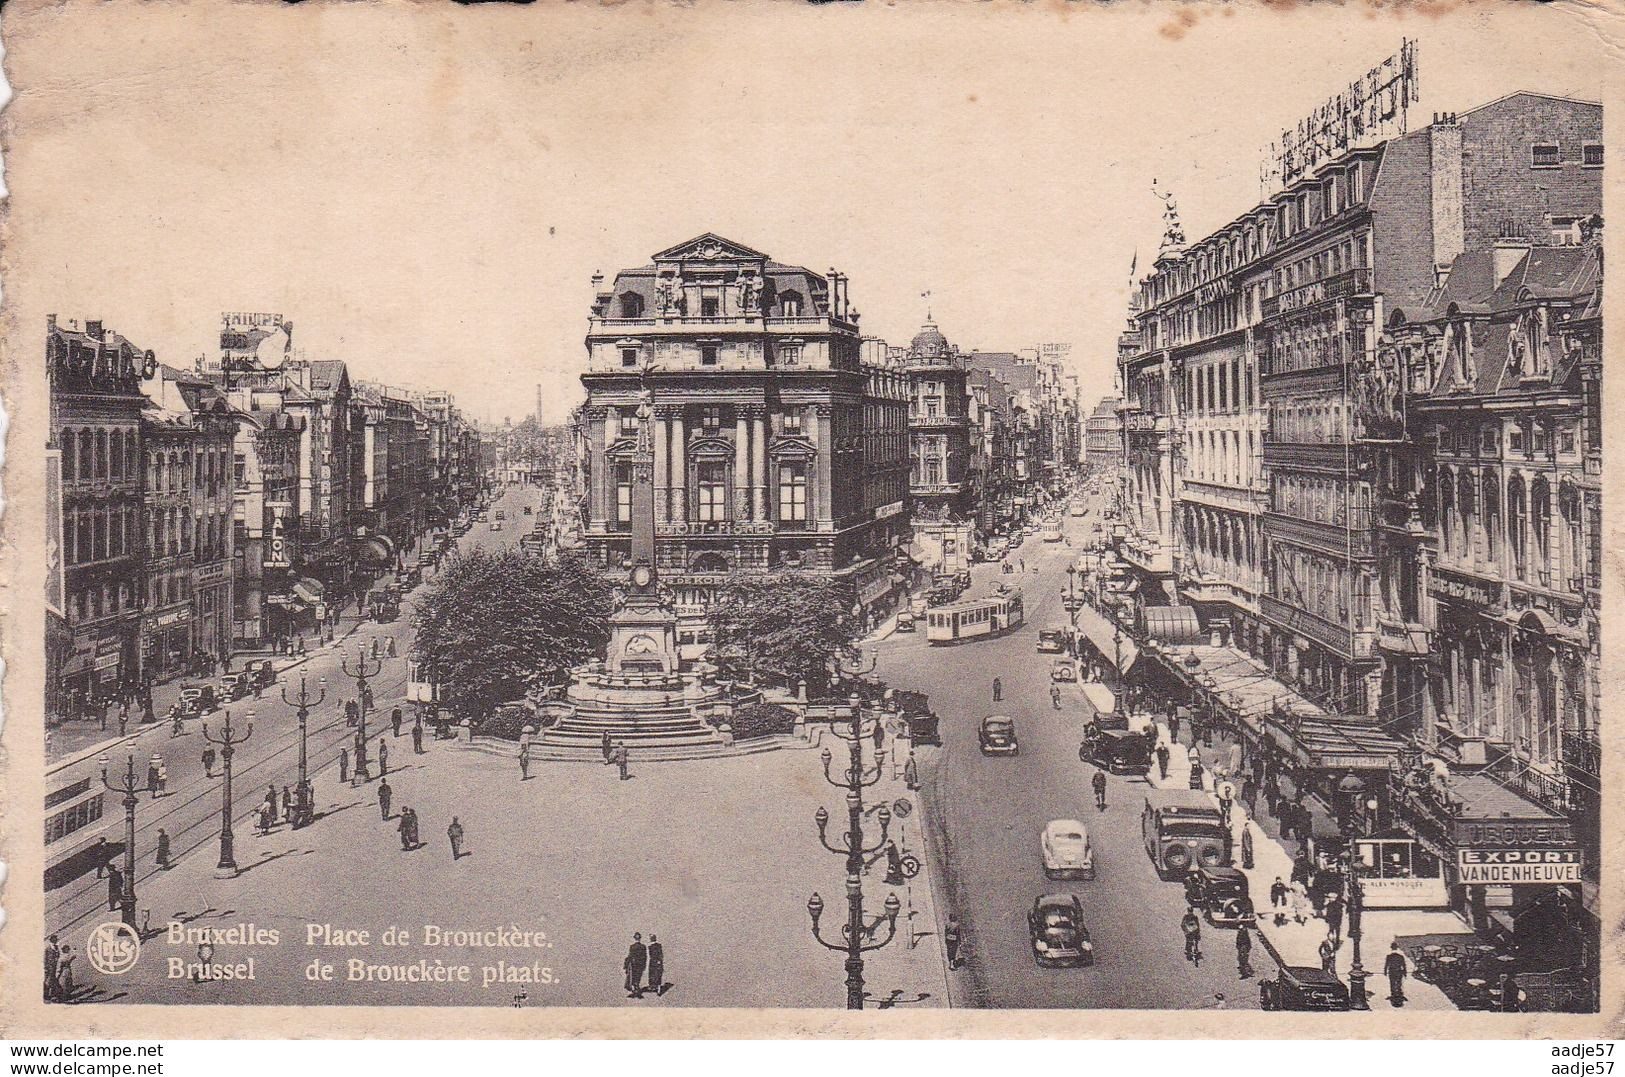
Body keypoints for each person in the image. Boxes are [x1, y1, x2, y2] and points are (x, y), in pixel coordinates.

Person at [1383, 941, 1408, 1006]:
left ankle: (1393, 994)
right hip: (1399, 971)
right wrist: (1405, 973)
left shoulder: (1389, 956)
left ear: (1391, 948)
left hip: (1392, 971)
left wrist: (1385, 972)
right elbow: (1404, 965)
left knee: (1392, 983)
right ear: (1397, 948)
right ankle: (1399, 993)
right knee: (1399, 982)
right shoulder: (1400, 956)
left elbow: (1386, 965)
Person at [624, 933, 648, 998]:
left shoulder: (632, 946)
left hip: (634, 965)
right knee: (638, 977)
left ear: (634, 938)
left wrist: (626, 965)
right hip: (640, 965)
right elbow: (645, 957)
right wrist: (644, 965)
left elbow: (630, 956)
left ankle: (635, 989)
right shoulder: (643, 946)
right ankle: (636, 987)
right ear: (640, 938)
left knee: (633, 977)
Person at [45, 935, 62, 1002]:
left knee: (54, 980)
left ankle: (54, 995)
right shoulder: (48, 948)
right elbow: (45, 959)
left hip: (55, 966)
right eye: (55, 939)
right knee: (49, 981)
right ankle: (48, 995)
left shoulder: (56, 947)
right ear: (52, 940)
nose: (57, 940)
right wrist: (46, 968)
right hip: (50, 967)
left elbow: (58, 955)